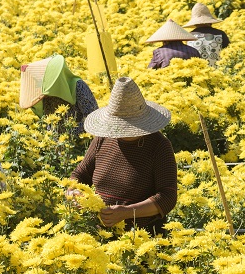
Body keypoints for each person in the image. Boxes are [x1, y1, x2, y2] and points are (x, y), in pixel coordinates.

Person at [68, 77, 177, 235]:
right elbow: (79, 174)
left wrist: (127, 212)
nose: (121, 132)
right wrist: (72, 191)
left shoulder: (159, 146)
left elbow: (167, 197)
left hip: (139, 237)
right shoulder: (103, 138)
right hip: (96, 231)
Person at [19, 54, 99, 135]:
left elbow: (94, 118)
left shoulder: (78, 86)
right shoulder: (44, 97)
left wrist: (70, 133)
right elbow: (50, 126)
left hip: (86, 138)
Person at [182, 3, 230, 67]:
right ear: (210, 21)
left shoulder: (190, 36)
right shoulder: (220, 34)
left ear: (195, 23)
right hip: (218, 72)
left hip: (198, 72)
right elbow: (229, 54)